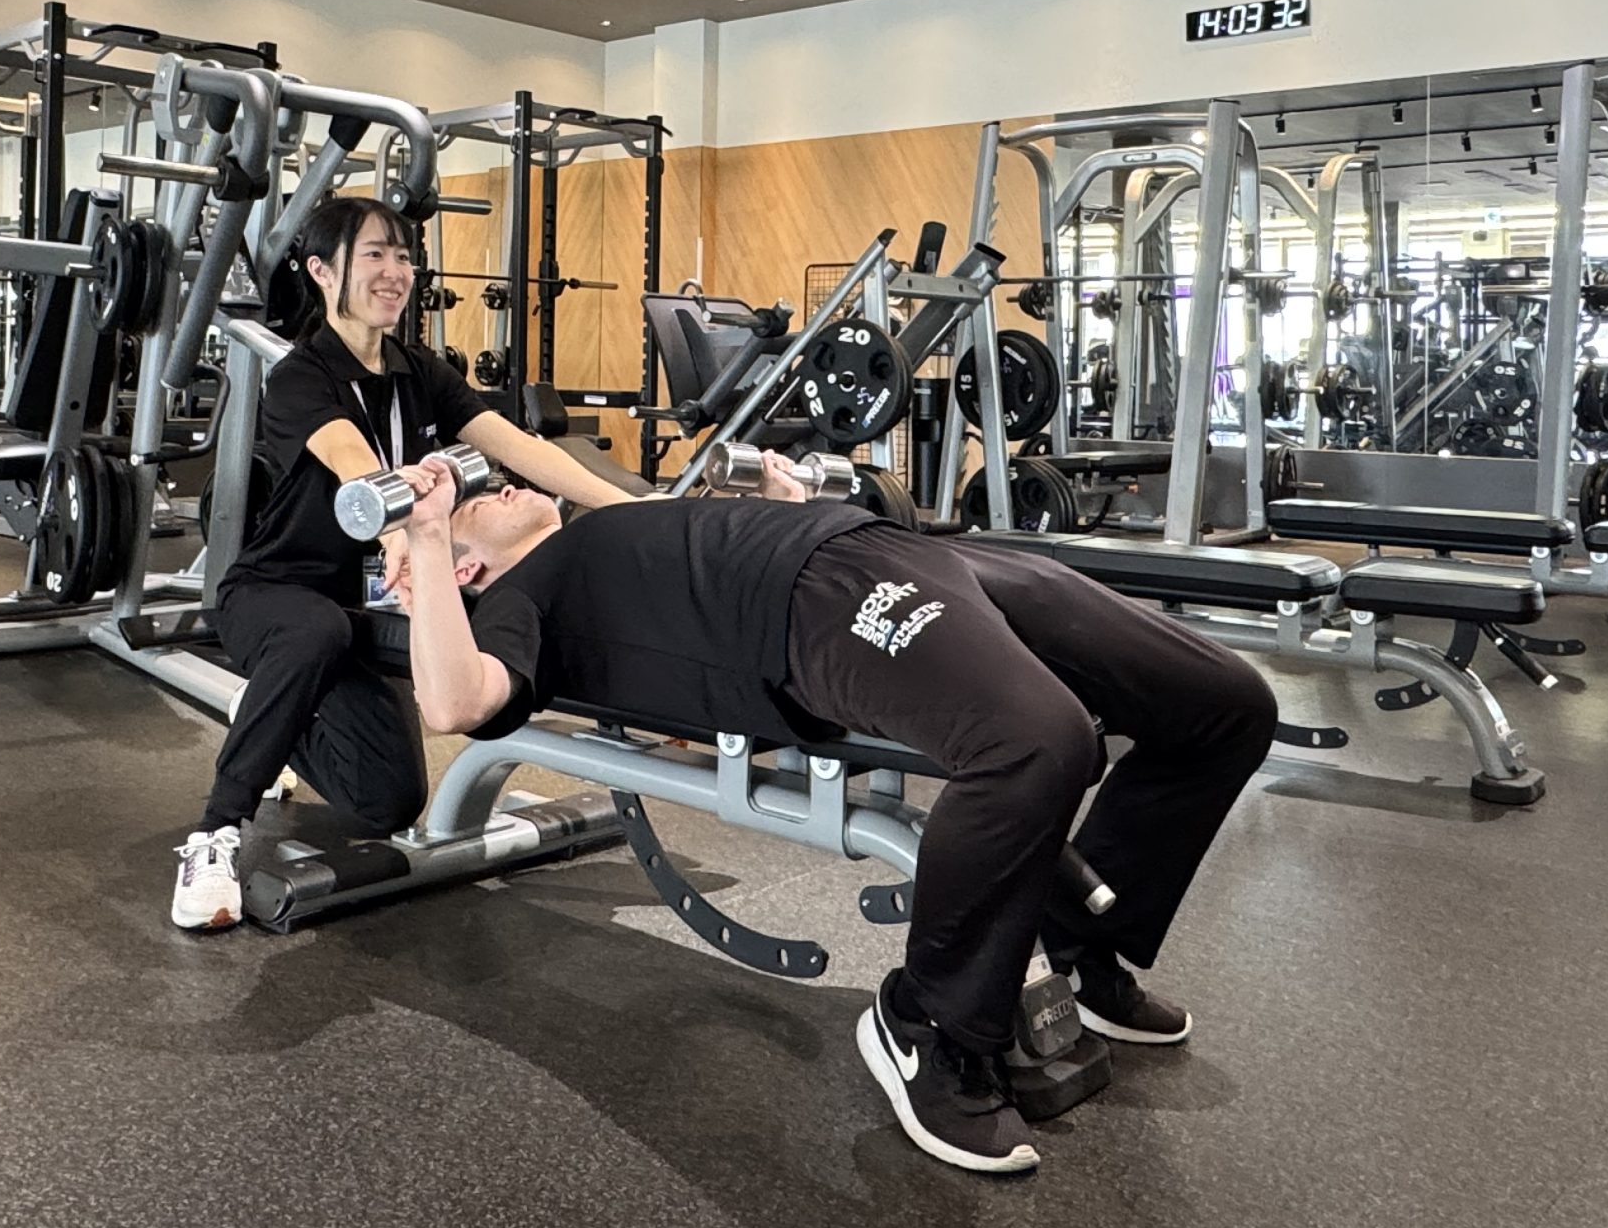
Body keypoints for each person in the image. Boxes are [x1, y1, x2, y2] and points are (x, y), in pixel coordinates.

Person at [388, 450, 1278, 1178]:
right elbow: (455, 701)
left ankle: (1081, 955)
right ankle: (928, 1026)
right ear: (466, 568)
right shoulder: (521, 598)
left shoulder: (597, 525)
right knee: (1038, 743)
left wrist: (783, 504)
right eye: (476, 505)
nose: (495, 487)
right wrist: (422, 538)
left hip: (888, 547)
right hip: (811, 606)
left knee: (1227, 703)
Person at [168, 196, 644, 932]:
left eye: (403, 256)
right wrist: (399, 539)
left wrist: (637, 508)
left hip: (366, 609)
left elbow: (522, 449)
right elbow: (354, 461)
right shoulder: (301, 378)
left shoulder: (418, 370)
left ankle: (277, 708)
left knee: (386, 803)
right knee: (314, 633)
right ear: (323, 271)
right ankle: (215, 833)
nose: (395, 272)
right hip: (279, 592)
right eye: (374, 255)